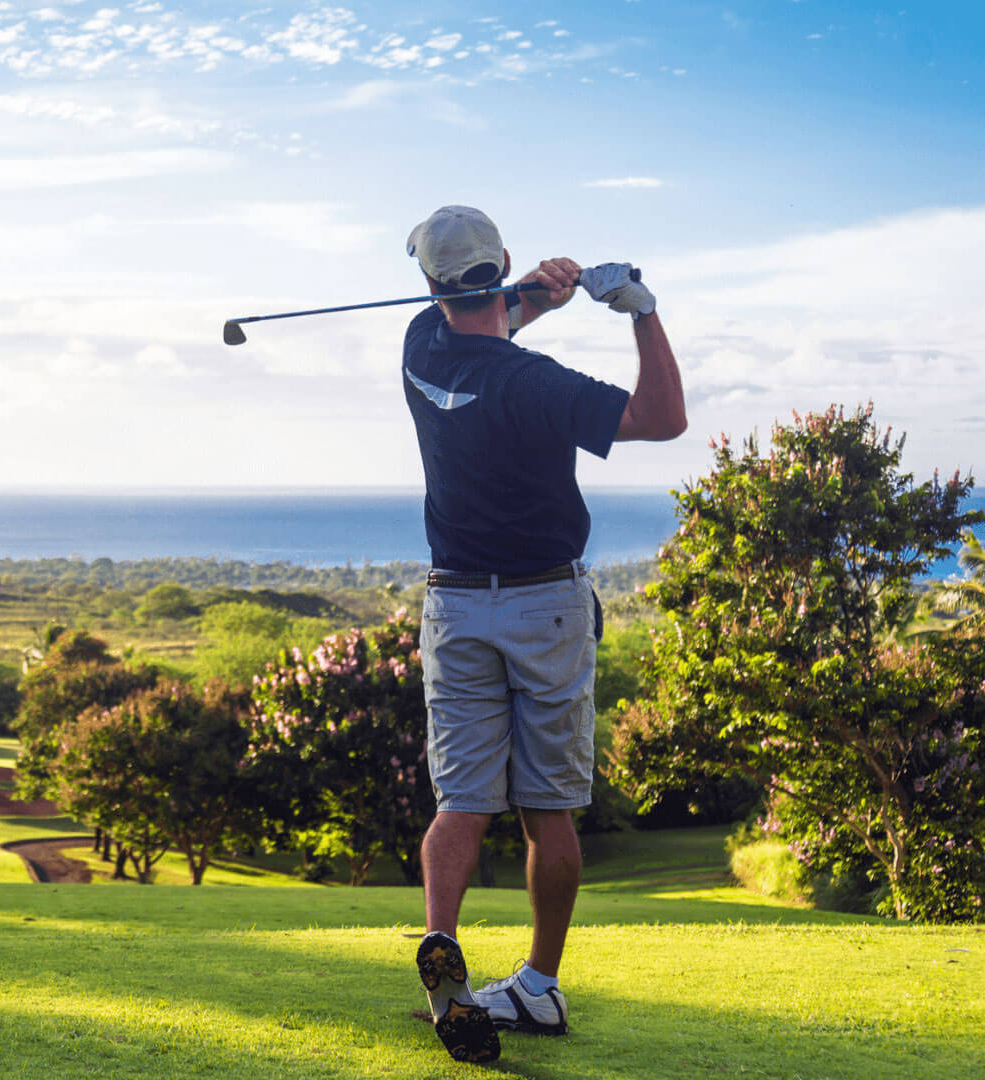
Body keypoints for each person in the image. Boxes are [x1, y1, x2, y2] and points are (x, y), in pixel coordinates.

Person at [398, 205, 686, 1064]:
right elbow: (660, 418)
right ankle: (538, 988)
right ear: (503, 265)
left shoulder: (419, 345)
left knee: (463, 803)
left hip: (455, 605)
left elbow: (491, 317)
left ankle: (442, 947)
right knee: (546, 809)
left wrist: (543, 298)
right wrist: (638, 308)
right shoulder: (539, 386)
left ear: (430, 284)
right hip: (544, 606)